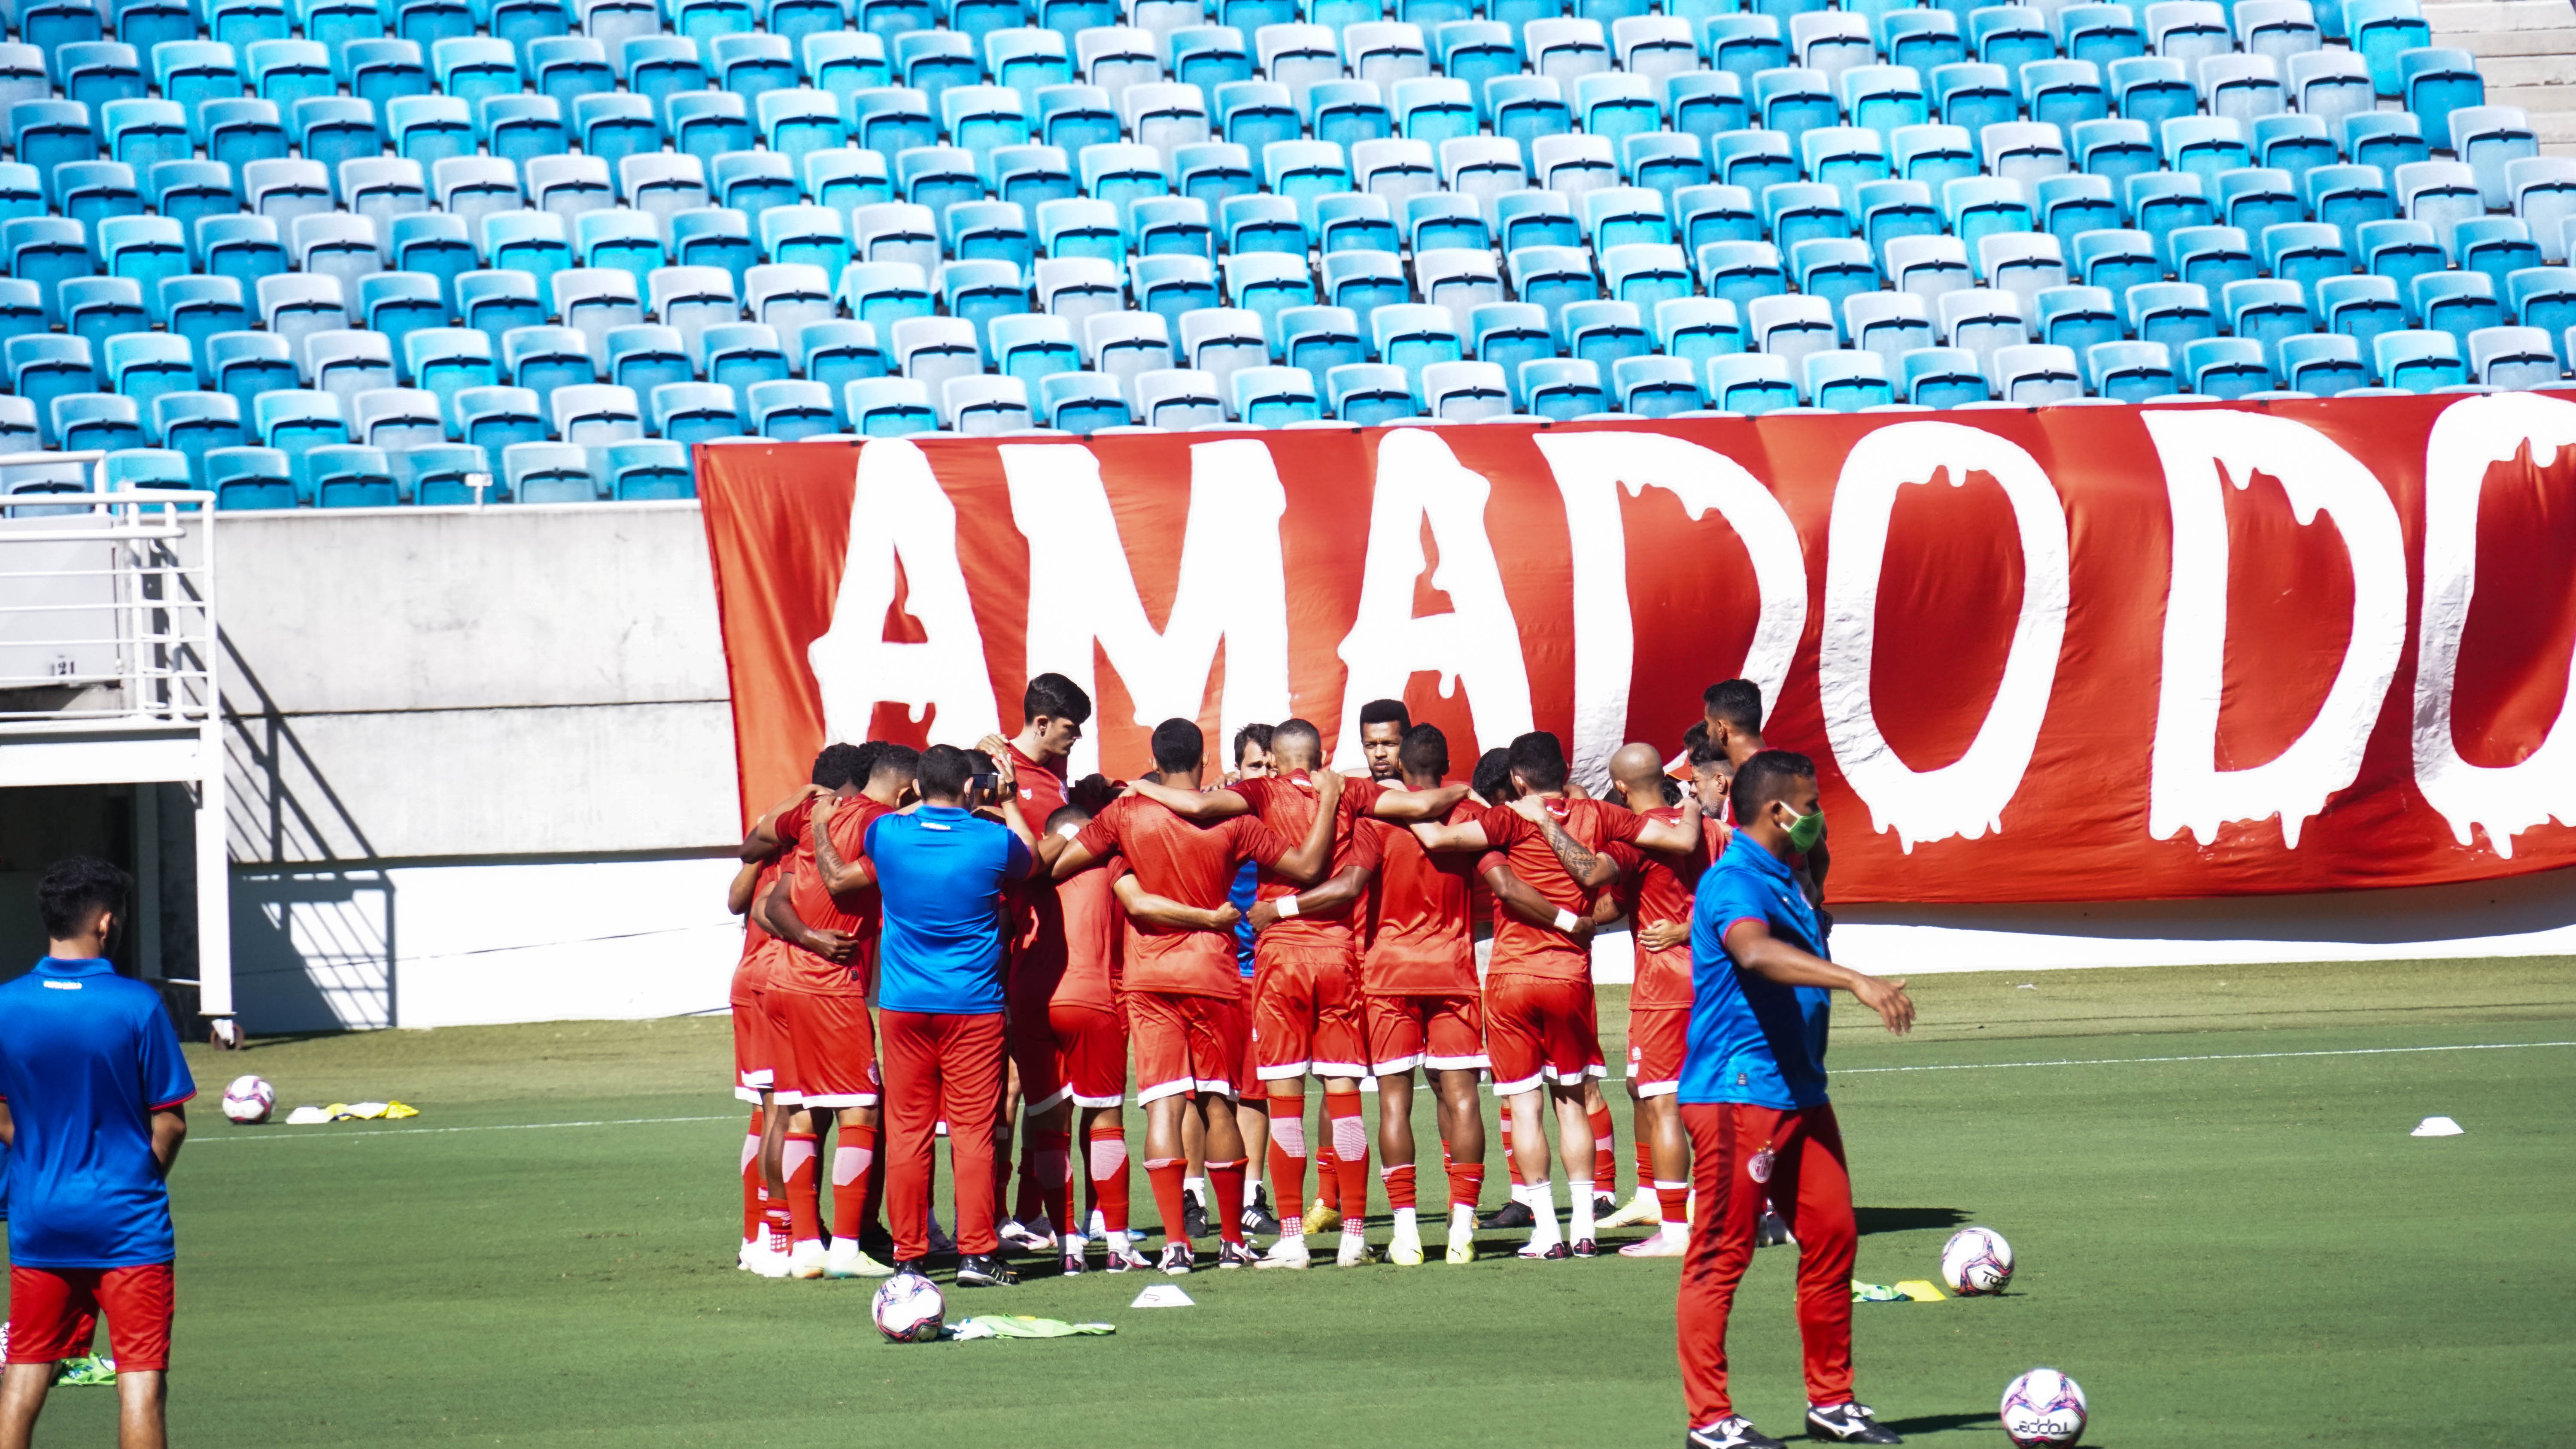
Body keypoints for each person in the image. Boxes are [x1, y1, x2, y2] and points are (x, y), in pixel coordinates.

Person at [1676, 751, 1914, 1449]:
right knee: (1722, 1254)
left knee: (1835, 1235)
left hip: (1800, 1092)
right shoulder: (1734, 880)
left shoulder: (1789, 878)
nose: (1818, 816)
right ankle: (1710, 1420)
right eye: (1809, 805)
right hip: (1736, 1093)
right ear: (1775, 811)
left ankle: (1832, 1402)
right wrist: (1857, 981)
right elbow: (1753, 954)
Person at [1048, 718, 1339, 1273]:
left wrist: (1116, 859)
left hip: (1150, 976)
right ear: (1203, 761)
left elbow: (1061, 864)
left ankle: (1176, 1247)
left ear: (1156, 761)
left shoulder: (1127, 815)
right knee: (1219, 1102)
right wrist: (1326, 805)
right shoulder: (1234, 818)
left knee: (1164, 1102)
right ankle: (1233, 1242)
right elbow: (1306, 867)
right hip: (1214, 972)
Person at [1403, 732, 1631, 1259]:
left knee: (1524, 1108)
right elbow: (1658, 834)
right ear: (1567, 768)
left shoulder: (1507, 820)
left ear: (1519, 780)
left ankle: (1547, 1231)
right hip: (1570, 976)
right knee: (1573, 1103)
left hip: (1512, 977)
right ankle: (1585, 1231)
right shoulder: (1599, 815)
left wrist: (1391, 798)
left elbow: (1437, 840)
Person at [0, 857, 194, 1449]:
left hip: (40, 1213)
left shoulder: (5, 1004)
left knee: (25, 1370)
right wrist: (128, 1174)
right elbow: (171, 1122)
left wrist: (43, 1153)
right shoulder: (137, 1005)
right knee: (140, 1383)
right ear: (107, 923)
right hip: (126, 1220)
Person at [1016, 800, 1240, 1275]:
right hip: (1095, 996)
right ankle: (1117, 1242)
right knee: (1105, 1120)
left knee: (1050, 1127)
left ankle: (1068, 1247)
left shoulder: (1027, 868)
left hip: (1031, 1002)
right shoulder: (1112, 862)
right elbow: (1141, 909)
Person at [870, 743, 1041, 1286]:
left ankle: (909, 1257)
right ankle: (976, 1255)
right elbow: (1032, 856)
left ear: (918, 787)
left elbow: (888, 817)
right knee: (972, 1132)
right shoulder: (992, 840)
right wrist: (1009, 799)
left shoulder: (888, 836)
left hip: (903, 1007)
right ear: (972, 788)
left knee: (908, 1133)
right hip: (973, 1006)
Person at [758, 743, 922, 1279]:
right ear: (907, 790)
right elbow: (842, 882)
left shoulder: (813, 813)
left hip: (784, 979)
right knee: (862, 1110)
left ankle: (806, 1246)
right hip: (831, 986)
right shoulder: (886, 828)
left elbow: (772, 899)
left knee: (801, 1110)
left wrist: (804, 935)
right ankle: (847, 1246)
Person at [1353, 723, 1489, 1265]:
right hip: (1453, 973)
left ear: (1400, 768)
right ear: (1447, 763)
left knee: (1394, 1102)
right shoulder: (1470, 815)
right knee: (1462, 1099)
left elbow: (1348, 888)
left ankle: (1406, 1233)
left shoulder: (1378, 820)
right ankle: (1461, 1230)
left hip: (1388, 975)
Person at [726, 746, 860, 1273]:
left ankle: (761, 1235)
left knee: (772, 1112)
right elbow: (747, 902)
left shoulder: (785, 839)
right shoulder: (800, 844)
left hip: (760, 982)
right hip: (777, 981)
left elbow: (739, 897)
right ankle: (776, 1232)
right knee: (782, 1111)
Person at [1595, 740, 1732, 1257]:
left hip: (1663, 989)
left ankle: (1674, 1230)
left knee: (1665, 1105)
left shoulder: (1636, 838)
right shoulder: (1715, 830)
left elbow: (1600, 890)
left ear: (1623, 787)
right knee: (1723, 1102)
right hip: (1717, 980)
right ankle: (1741, 1213)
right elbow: (1744, 889)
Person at [976, 673, 1097, 1253]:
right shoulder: (993, 772)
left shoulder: (1053, 777)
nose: (1076, 740)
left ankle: (1029, 1212)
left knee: (1040, 1083)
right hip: (995, 949)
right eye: (1070, 731)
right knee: (1003, 1085)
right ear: (1042, 722)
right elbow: (1010, 859)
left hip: (1041, 950)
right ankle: (994, 1213)